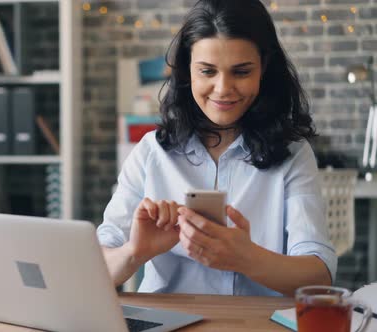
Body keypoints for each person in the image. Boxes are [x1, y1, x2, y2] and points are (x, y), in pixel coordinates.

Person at [97, 0, 336, 297]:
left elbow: (319, 275)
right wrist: (134, 252)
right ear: (187, 72)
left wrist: (247, 258)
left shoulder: (293, 155)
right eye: (208, 72)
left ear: (264, 68)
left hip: (256, 325)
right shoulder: (150, 152)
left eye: (241, 72)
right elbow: (94, 271)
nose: (223, 88)